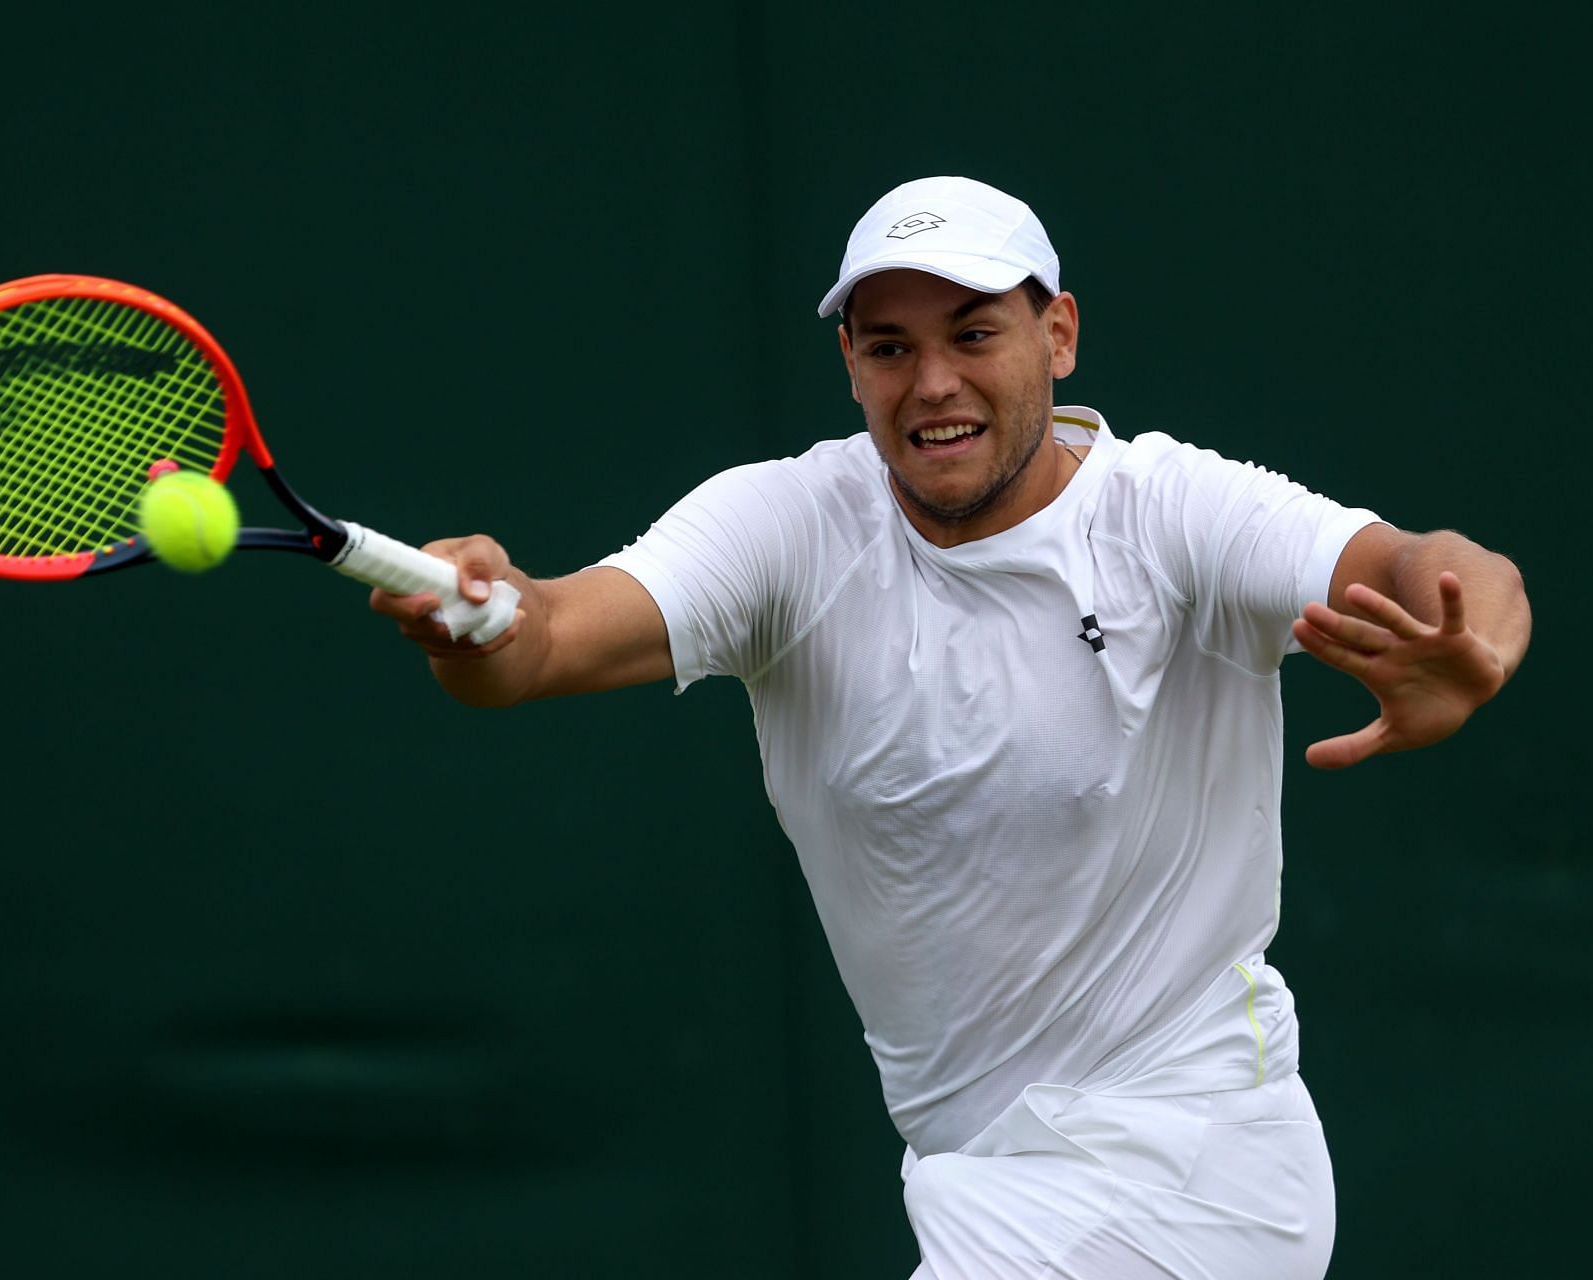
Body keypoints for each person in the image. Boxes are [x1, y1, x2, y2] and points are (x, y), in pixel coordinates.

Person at [368, 176, 1531, 1279]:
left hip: (1191, 1162)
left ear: (1057, 335)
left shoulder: (1175, 514)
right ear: (852, 363)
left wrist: (1464, 633)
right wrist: (478, 618)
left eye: (974, 334)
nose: (932, 382)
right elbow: (547, 640)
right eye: (891, 347)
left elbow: (1433, 562)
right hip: (971, 1171)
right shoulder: (786, 528)